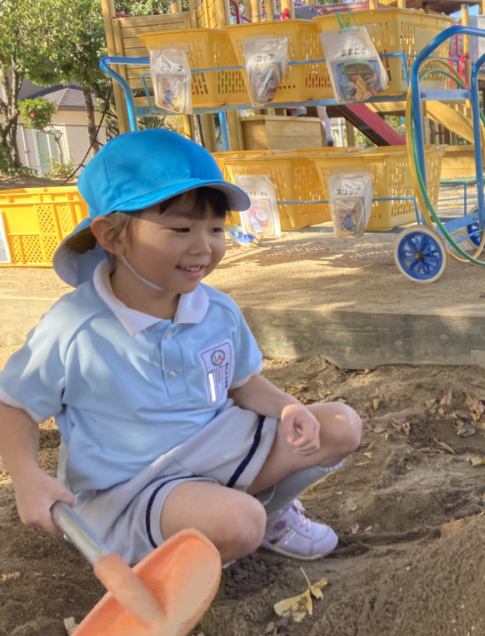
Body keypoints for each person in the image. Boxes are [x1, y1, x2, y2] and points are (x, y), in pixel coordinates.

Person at [0, 129, 363, 566]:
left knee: (341, 424)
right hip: (132, 487)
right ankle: (198, 541)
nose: (203, 246)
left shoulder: (217, 311)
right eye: (180, 229)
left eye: (215, 228)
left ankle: (268, 510)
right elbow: (14, 405)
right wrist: (26, 476)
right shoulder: (76, 326)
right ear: (111, 236)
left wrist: (286, 407)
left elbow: (243, 384)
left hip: (216, 452)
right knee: (240, 522)